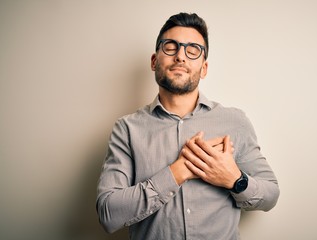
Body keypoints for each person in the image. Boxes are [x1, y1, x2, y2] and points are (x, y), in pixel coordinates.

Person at [96, 12, 280, 240]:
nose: (181, 56)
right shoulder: (127, 129)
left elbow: (271, 194)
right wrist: (177, 172)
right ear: (154, 61)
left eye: (193, 50)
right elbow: (108, 213)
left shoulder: (235, 122)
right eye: (171, 47)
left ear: (204, 68)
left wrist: (234, 178)